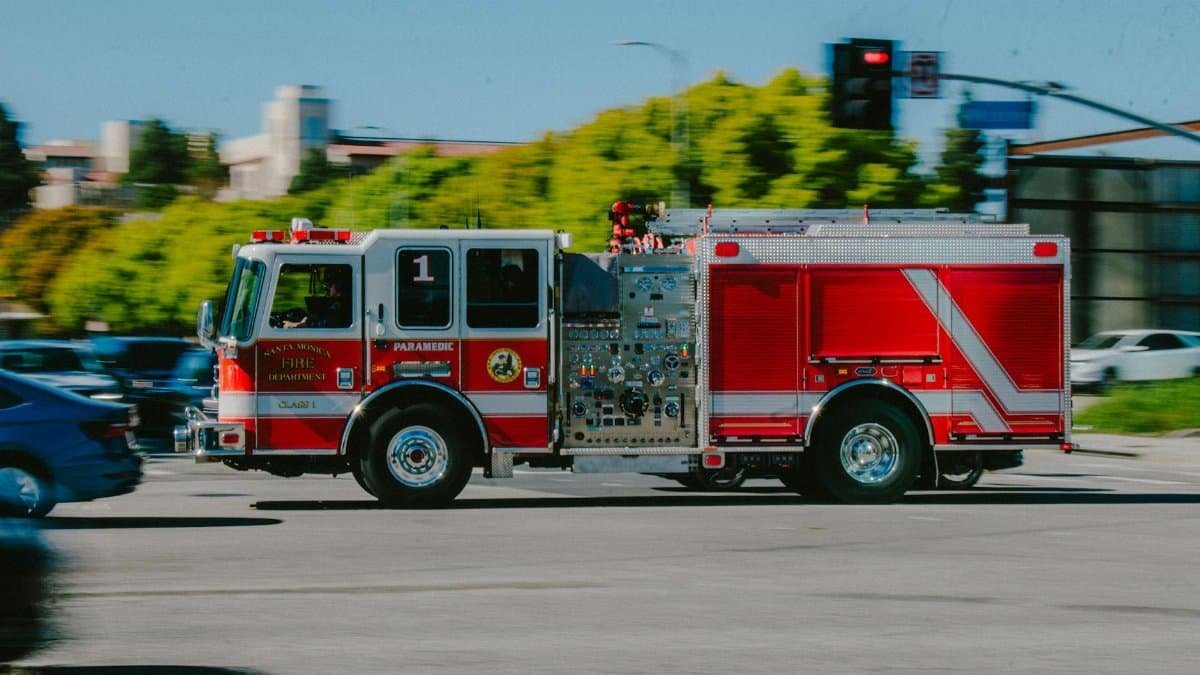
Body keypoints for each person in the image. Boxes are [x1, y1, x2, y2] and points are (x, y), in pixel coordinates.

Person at [283, 270, 351, 329]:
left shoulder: (338, 307)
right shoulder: (336, 305)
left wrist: (293, 325)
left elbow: (320, 326)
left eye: (330, 286)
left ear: (339, 292)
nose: (328, 289)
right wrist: (308, 319)